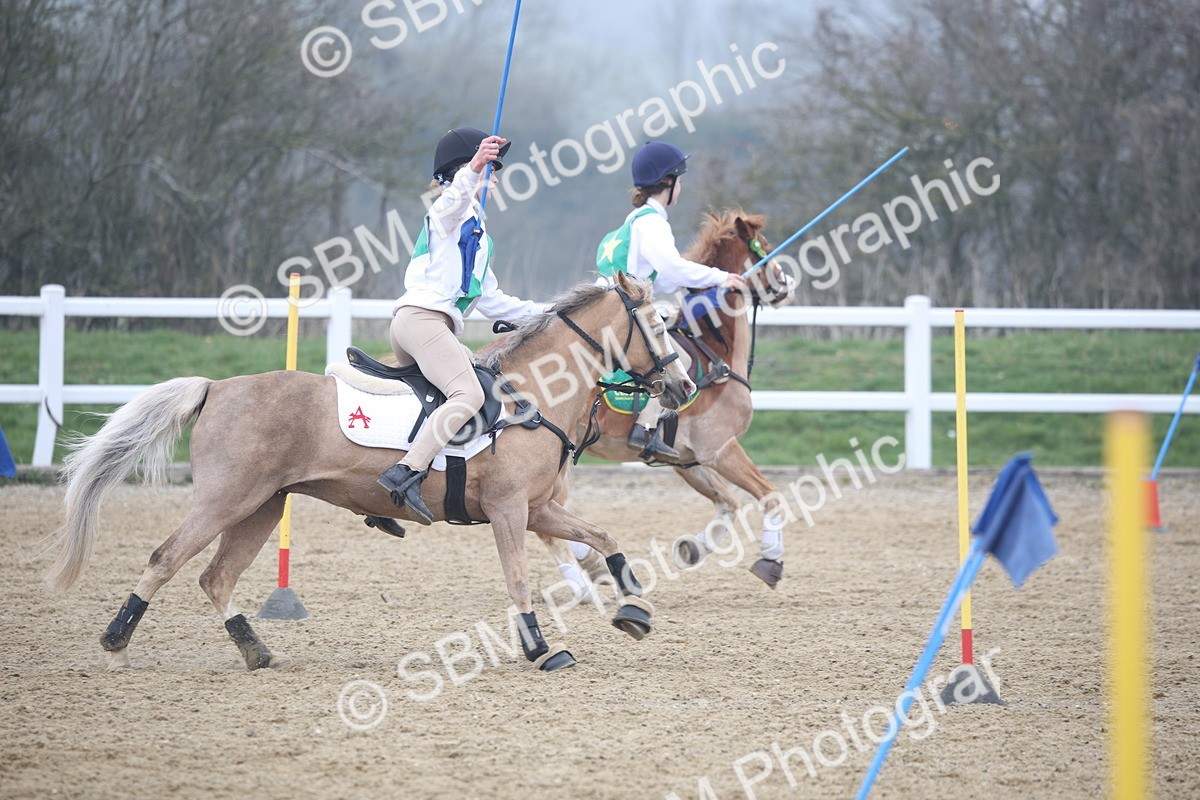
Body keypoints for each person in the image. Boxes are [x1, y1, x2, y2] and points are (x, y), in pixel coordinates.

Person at [377, 127, 546, 525]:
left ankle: (378, 494)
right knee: (467, 393)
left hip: (422, 326)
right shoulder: (448, 211)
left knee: (453, 393)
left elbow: (494, 301)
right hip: (422, 321)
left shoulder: (477, 233)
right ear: (465, 169)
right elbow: (453, 201)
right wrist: (474, 168)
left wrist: (556, 311)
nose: (497, 178)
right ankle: (404, 475)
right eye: (493, 170)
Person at [596, 141, 746, 459]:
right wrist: (721, 278)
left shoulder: (633, 220)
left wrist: (702, 285)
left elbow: (663, 278)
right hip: (627, 312)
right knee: (681, 360)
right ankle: (646, 430)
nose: (681, 186)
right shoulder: (653, 222)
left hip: (613, 306)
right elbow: (672, 268)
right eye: (680, 180)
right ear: (669, 182)